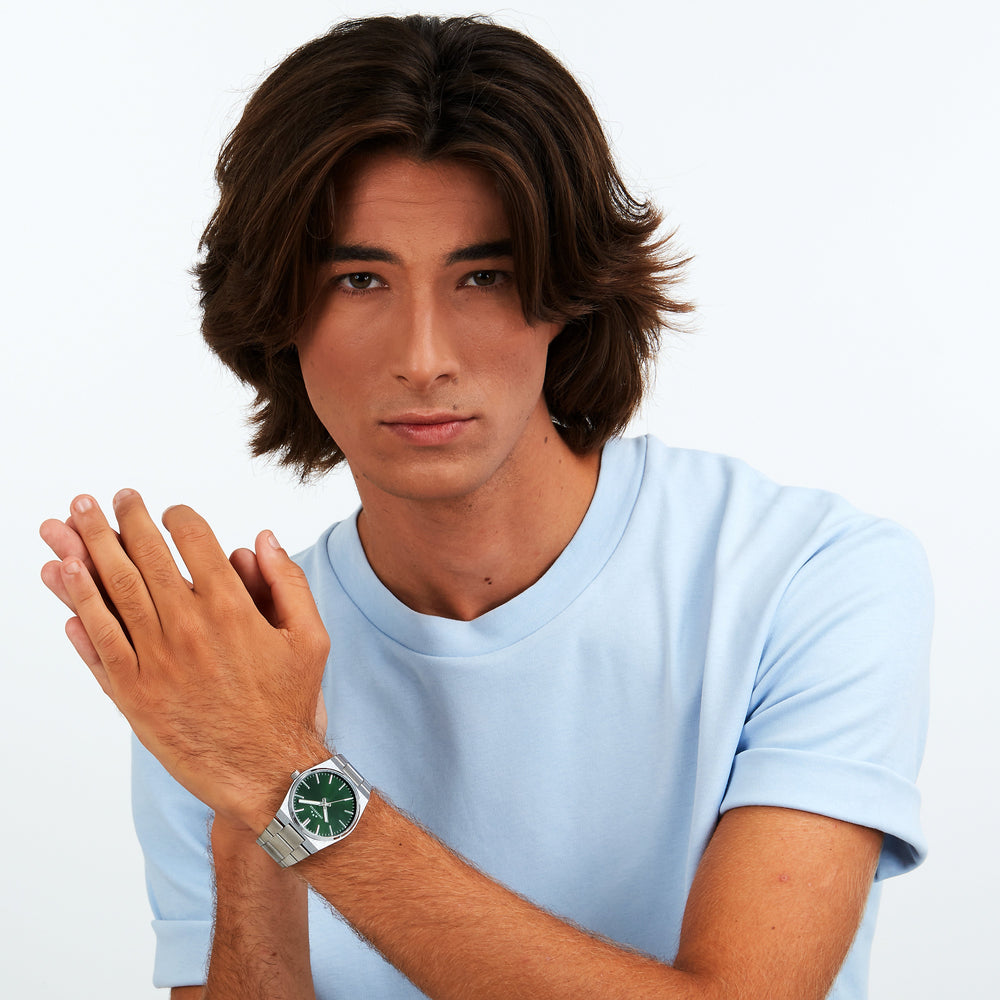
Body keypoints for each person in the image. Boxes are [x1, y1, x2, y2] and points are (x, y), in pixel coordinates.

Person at [39, 14, 931, 1000]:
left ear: (569, 295)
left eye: (483, 277)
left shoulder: (808, 577)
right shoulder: (231, 671)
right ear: (280, 311)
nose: (423, 356)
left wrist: (290, 782)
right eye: (359, 279)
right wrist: (249, 805)